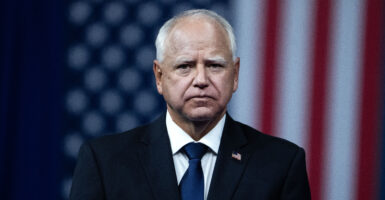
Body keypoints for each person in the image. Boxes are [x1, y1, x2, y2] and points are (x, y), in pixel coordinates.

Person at [70, 9, 311, 200]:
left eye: (214, 65)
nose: (201, 80)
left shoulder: (281, 164)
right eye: (184, 66)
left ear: (235, 74)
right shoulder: (104, 162)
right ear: (159, 77)